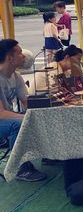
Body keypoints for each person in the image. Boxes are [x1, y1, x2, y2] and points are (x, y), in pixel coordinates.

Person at [0, 39, 48, 182]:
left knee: (44, 115)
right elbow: (1, 113)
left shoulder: (16, 76)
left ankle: (50, 154)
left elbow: (27, 102)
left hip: (6, 117)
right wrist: (30, 117)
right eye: (20, 53)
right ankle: (21, 168)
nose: (24, 56)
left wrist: (43, 113)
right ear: (9, 58)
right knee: (19, 124)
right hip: (2, 118)